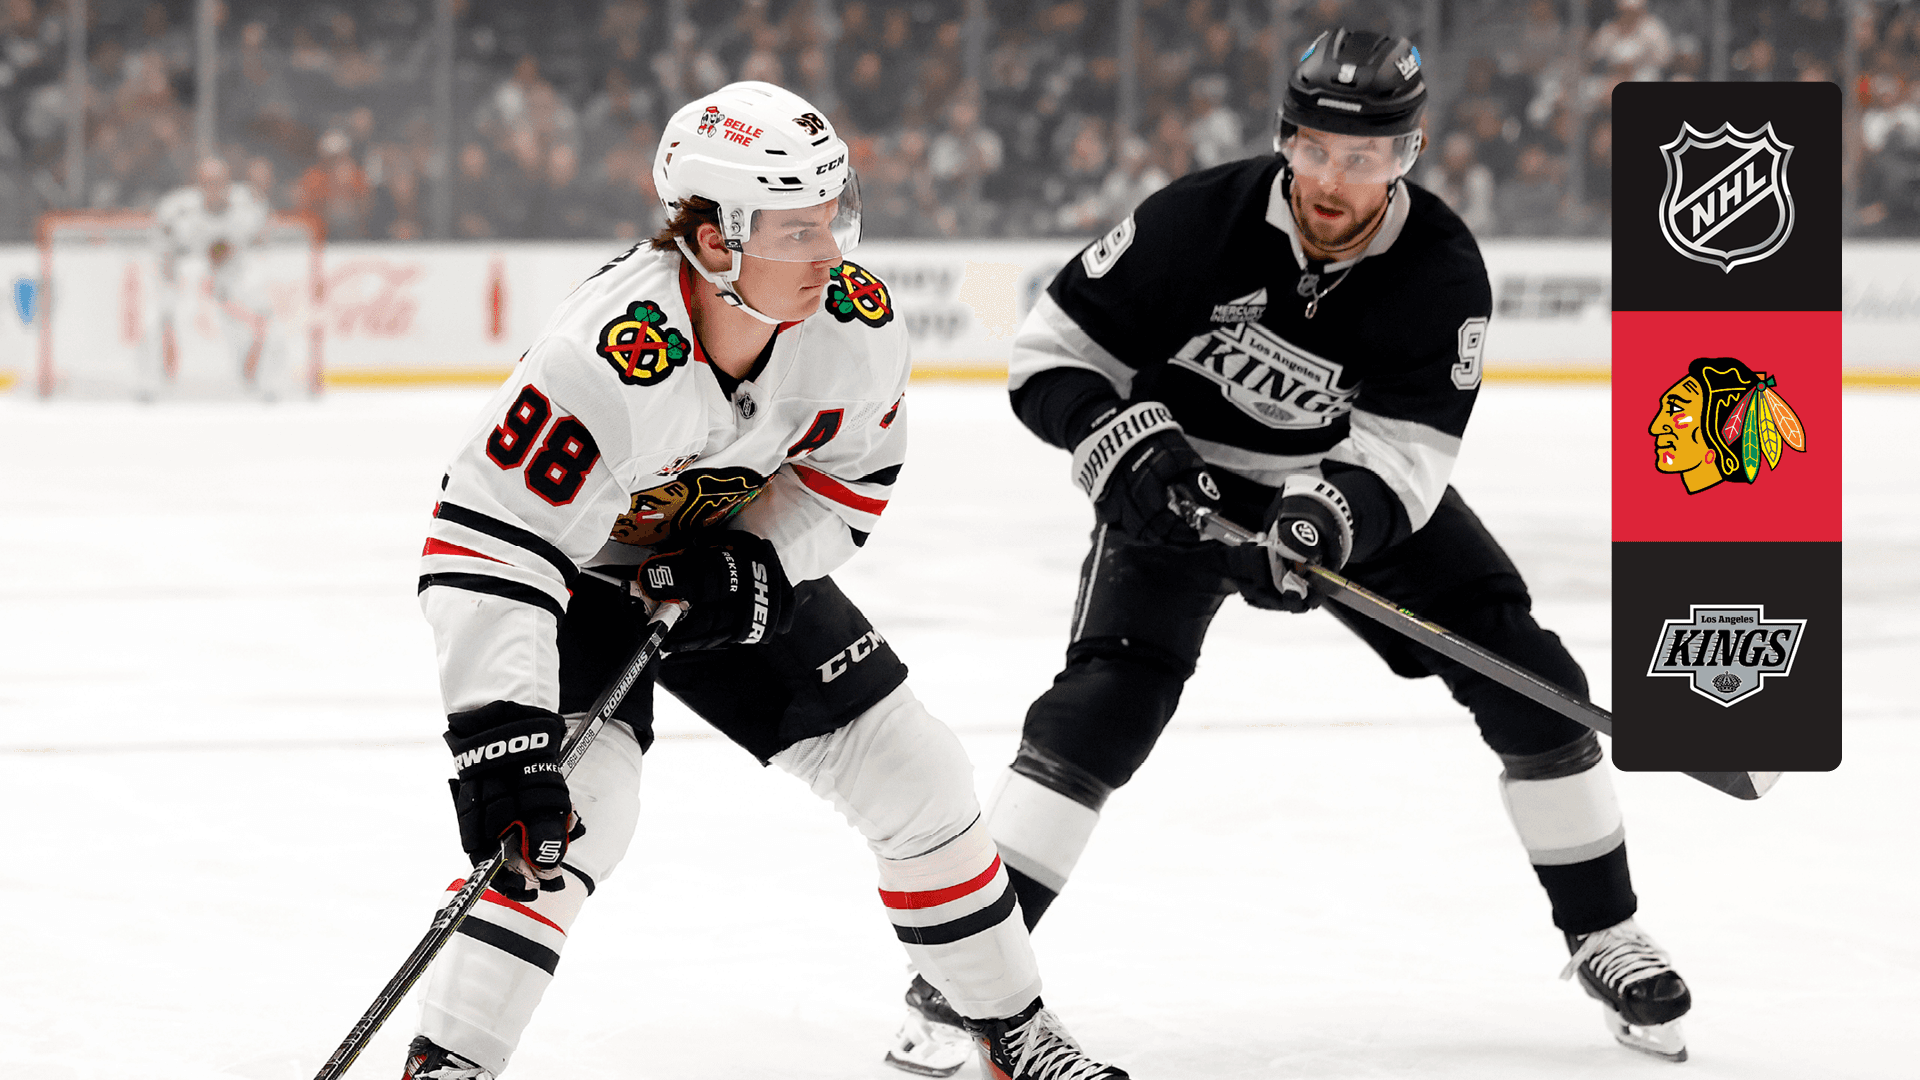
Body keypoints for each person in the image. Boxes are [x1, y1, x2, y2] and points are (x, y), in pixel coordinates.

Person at [886, 29, 1694, 1074]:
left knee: (1531, 679)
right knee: (1101, 709)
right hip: (1180, 488)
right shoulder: (1196, 219)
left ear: (1407, 154)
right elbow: (1050, 357)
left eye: (1364, 157)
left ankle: (1606, 931)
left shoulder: (1443, 268)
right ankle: (966, 977)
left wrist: (1322, 522)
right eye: (1314, 149)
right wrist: (1126, 442)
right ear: (1284, 138)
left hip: (1338, 488)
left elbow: (1405, 456)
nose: (1332, 179)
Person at [403, 81, 1131, 1080]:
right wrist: (501, 740)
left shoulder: (854, 325)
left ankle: (1013, 1027)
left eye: (833, 216)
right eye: (797, 231)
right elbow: (489, 543)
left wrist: (760, 560)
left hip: (718, 557)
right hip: (578, 580)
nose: (830, 251)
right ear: (713, 243)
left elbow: (849, 484)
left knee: (913, 769)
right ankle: (450, 1061)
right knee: (571, 816)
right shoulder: (603, 359)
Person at [148, 156, 277, 395]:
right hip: (193, 274)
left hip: (236, 272)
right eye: (207, 182)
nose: (214, 188)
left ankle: (262, 382)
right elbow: (164, 250)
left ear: (229, 182)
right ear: (198, 184)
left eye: (219, 182)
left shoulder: (250, 204)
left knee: (263, 313)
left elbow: (260, 245)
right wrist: (170, 285)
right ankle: (157, 383)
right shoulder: (177, 209)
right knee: (158, 316)